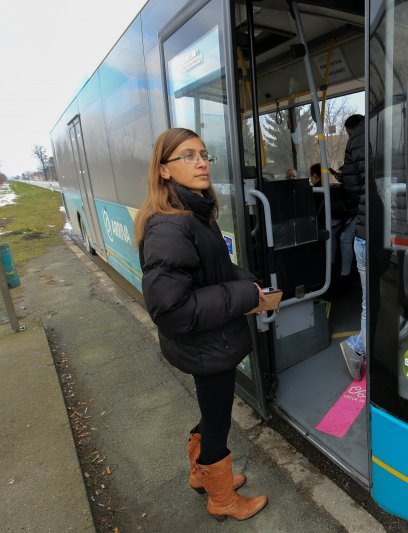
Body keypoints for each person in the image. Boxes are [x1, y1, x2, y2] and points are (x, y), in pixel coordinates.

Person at [134, 128, 268, 522]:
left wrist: (250, 285)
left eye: (204, 154)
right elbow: (172, 309)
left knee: (213, 414)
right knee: (217, 420)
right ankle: (222, 499)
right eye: (188, 156)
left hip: (210, 340)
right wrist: (245, 297)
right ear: (163, 170)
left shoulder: (192, 213)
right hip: (207, 345)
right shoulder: (169, 227)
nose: (202, 162)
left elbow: (215, 272)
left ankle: (201, 474)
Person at [338, 114, 367, 380]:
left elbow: (352, 186)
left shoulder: (355, 141)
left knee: (370, 301)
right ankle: (358, 346)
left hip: (364, 228)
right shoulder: (381, 134)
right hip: (374, 230)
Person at [310, 163, 350, 281]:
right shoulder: (332, 190)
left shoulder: (316, 191)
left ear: (315, 177)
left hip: (328, 226)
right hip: (340, 222)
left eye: (311, 176)